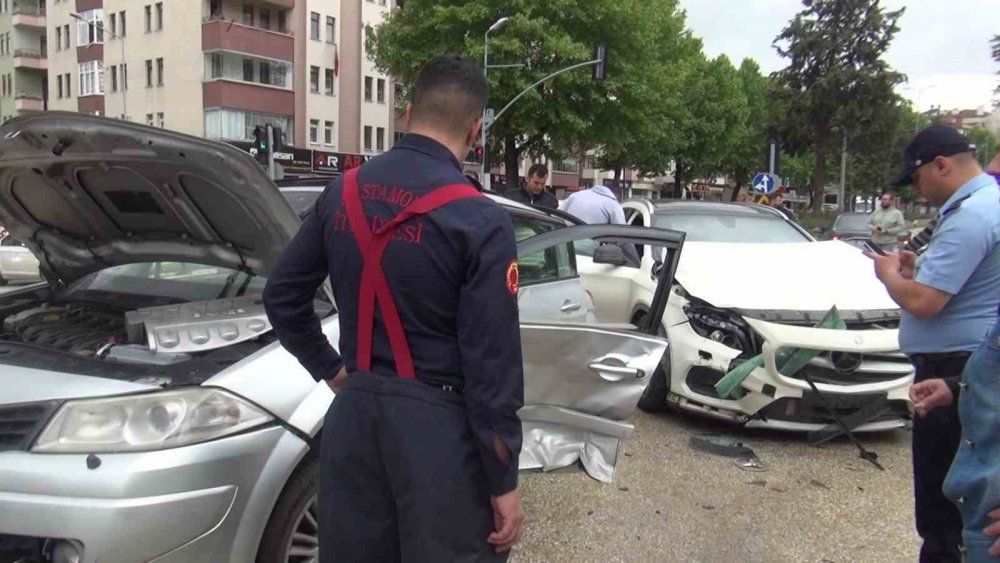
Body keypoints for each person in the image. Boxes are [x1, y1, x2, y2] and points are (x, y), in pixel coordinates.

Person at [263, 55, 525, 561]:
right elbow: (492, 368)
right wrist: (503, 480)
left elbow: (283, 297)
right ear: (475, 130)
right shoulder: (481, 220)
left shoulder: (342, 192)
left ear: (405, 113)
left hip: (352, 423)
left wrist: (335, 372)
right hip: (439, 436)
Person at [866, 125, 1000, 563]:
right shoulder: (978, 209)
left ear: (941, 164)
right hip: (960, 376)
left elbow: (925, 302)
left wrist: (889, 276)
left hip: (960, 368)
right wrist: (916, 266)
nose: (917, 190)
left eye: (917, 177)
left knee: (948, 513)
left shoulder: (974, 215)